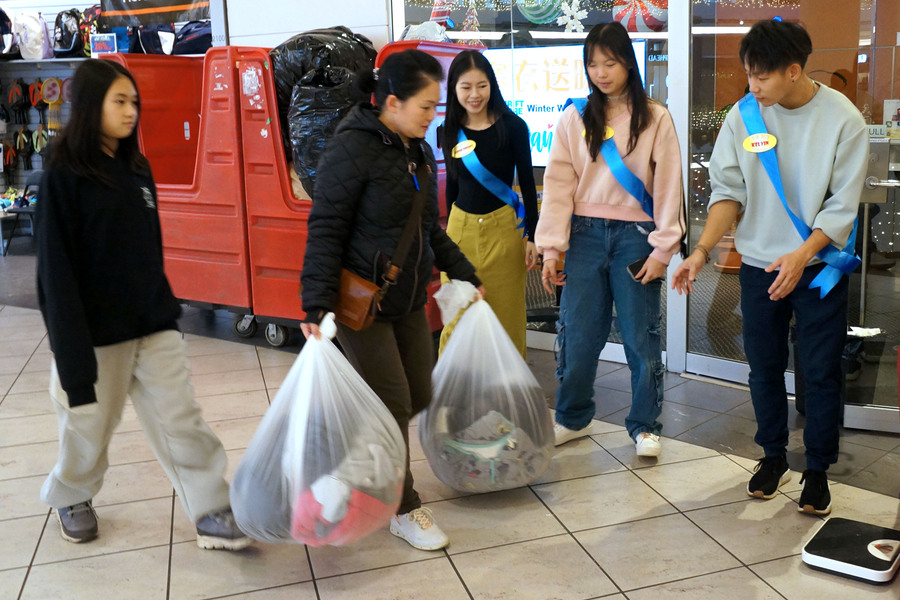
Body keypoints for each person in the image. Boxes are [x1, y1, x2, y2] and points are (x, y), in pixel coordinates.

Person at [35, 59, 250, 551]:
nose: (132, 111)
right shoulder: (63, 176)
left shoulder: (136, 167)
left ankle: (211, 508)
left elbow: (148, 249)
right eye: (119, 101)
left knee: (182, 418)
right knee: (88, 426)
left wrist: (164, 305)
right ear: (91, 106)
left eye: (134, 101)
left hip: (154, 321)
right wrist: (71, 357)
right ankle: (72, 495)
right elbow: (55, 274)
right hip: (94, 335)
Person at [672, 20, 867, 515]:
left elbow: (842, 206)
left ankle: (818, 468)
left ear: (794, 71)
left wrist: (801, 256)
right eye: (748, 76)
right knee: (763, 365)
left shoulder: (843, 120)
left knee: (820, 371)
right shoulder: (744, 117)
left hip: (818, 266)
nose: (751, 87)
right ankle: (772, 457)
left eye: (761, 78)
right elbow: (727, 192)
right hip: (760, 266)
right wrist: (700, 250)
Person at [300, 49, 483, 551]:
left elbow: (425, 227)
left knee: (419, 395)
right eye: (426, 106)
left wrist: (463, 271)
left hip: (406, 298)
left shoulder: (417, 150)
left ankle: (346, 471)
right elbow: (326, 228)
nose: (433, 116)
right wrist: (315, 303)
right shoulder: (351, 149)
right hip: (363, 303)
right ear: (393, 102)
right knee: (392, 403)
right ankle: (403, 508)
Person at [536, 21, 684, 456]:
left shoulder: (654, 117)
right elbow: (559, 184)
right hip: (582, 236)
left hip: (637, 237)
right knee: (578, 332)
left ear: (628, 63)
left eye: (611, 62)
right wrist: (550, 248)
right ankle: (573, 417)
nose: (600, 72)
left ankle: (644, 426)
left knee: (641, 335)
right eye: (592, 64)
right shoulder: (575, 116)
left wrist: (663, 248)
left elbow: (669, 184)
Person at [439, 49, 538, 357]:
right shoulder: (448, 131)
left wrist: (532, 236)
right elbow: (452, 188)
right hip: (459, 233)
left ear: (492, 85)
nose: (474, 94)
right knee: (456, 322)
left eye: (481, 85)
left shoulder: (514, 127)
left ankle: (508, 402)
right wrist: (445, 239)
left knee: (507, 323)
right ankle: (451, 398)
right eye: (466, 87)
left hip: (504, 233)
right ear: (454, 88)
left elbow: (528, 185)